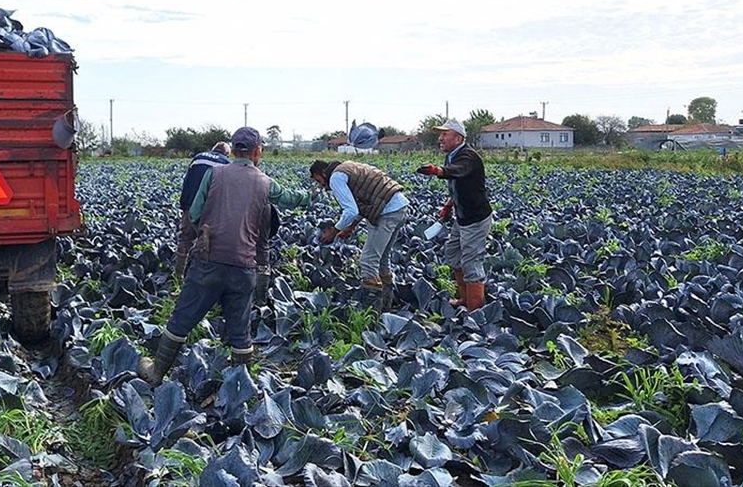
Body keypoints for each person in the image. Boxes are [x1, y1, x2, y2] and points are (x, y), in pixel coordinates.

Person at [138, 127, 311, 385]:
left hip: (208, 261)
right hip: (244, 266)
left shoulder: (214, 173)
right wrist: (312, 194)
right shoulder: (265, 182)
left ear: (234, 150)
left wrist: (208, 231)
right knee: (240, 330)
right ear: (257, 151)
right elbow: (290, 198)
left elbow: (195, 213)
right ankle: (241, 387)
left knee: (182, 318)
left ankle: (156, 372)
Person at [415, 119, 493, 311]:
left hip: (475, 219)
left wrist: (437, 171)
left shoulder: (467, 156)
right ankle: (465, 299)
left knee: (471, 263)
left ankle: (476, 314)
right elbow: (459, 183)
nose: (440, 139)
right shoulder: (452, 156)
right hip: (462, 216)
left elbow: (457, 171)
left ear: (458, 138)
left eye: (444, 134)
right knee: (452, 253)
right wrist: (449, 205)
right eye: (440, 135)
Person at [308, 159, 410, 291]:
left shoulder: (335, 178)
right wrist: (351, 226)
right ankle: (387, 299)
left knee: (368, 261)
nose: (321, 185)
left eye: (318, 180)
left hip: (386, 212)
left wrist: (334, 231)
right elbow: (365, 199)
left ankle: (372, 301)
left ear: (323, 172)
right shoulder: (348, 166)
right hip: (400, 207)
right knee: (383, 259)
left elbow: (351, 211)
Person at [175, 141, 231, 279]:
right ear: (226, 153)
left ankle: (178, 274)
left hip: (190, 202)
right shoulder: (226, 164)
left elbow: (187, 181)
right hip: (209, 207)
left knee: (185, 238)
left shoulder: (198, 158)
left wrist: (184, 205)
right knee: (206, 241)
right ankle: (199, 275)